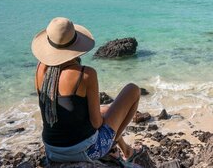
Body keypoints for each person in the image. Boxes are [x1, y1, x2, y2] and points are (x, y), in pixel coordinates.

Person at [31, 17, 143, 164]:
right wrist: (109, 120)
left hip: (52, 150)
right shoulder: (85, 74)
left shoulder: (40, 68)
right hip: (84, 151)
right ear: (75, 45)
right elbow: (96, 124)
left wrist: (106, 114)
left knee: (105, 110)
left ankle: (126, 149)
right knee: (133, 90)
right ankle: (115, 145)